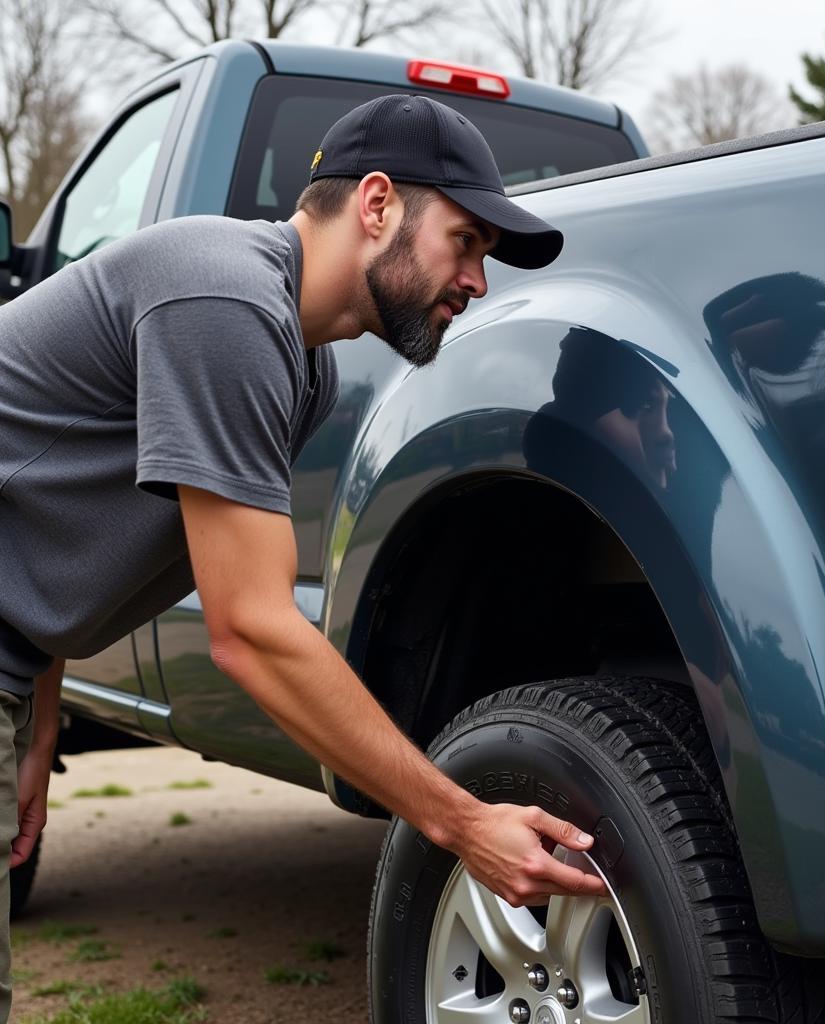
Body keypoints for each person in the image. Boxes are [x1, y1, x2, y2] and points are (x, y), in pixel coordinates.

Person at [0, 93, 605, 1018]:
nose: (477, 280)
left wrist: (37, 720)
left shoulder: (301, 367)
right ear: (376, 205)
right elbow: (250, 628)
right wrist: (462, 821)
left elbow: (40, 514)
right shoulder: (223, 298)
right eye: (466, 241)